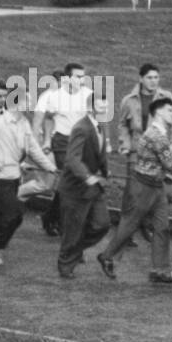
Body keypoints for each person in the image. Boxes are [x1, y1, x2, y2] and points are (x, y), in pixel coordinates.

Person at [98, 98, 172, 283]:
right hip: (144, 187)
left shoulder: (155, 134)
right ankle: (107, 256)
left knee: (162, 227)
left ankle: (160, 269)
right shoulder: (157, 136)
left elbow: (152, 161)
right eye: (169, 110)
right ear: (159, 113)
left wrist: (163, 174)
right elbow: (170, 163)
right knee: (130, 225)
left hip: (155, 186)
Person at [0, 81, 56, 267]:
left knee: (3, 213)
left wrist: (49, 167)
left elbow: (32, 148)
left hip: (13, 178)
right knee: (14, 213)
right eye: (27, 101)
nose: (30, 104)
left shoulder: (24, 124)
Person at [116, 64, 172, 242]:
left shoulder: (167, 97)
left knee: (154, 190)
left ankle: (147, 225)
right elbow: (122, 124)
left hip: (157, 153)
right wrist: (126, 143)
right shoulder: (129, 100)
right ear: (141, 79)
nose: (153, 81)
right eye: (149, 78)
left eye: (156, 78)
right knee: (131, 192)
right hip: (136, 151)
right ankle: (125, 233)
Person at [56, 95, 115, 279]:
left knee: (102, 224)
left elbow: (100, 153)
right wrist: (87, 176)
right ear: (90, 107)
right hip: (76, 188)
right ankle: (65, 263)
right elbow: (72, 158)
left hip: (94, 187)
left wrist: (106, 172)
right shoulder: (81, 128)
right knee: (72, 230)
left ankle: (74, 252)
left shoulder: (102, 125)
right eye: (100, 103)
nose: (105, 107)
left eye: (106, 103)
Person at [33, 63, 92, 236]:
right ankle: (69, 226)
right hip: (62, 143)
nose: (82, 80)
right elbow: (47, 119)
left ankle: (51, 216)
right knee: (73, 179)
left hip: (82, 143)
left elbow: (97, 120)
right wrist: (45, 141)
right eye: (78, 77)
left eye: (83, 77)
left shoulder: (89, 95)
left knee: (70, 182)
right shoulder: (53, 96)